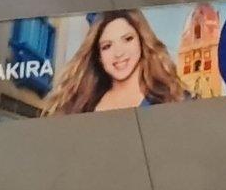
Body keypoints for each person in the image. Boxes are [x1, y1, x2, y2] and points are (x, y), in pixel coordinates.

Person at [45, 10, 190, 114]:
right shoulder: (81, 106)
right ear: (99, 56)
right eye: (107, 46)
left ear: (141, 41)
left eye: (127, 39)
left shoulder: (172, 98)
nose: (119, 53)